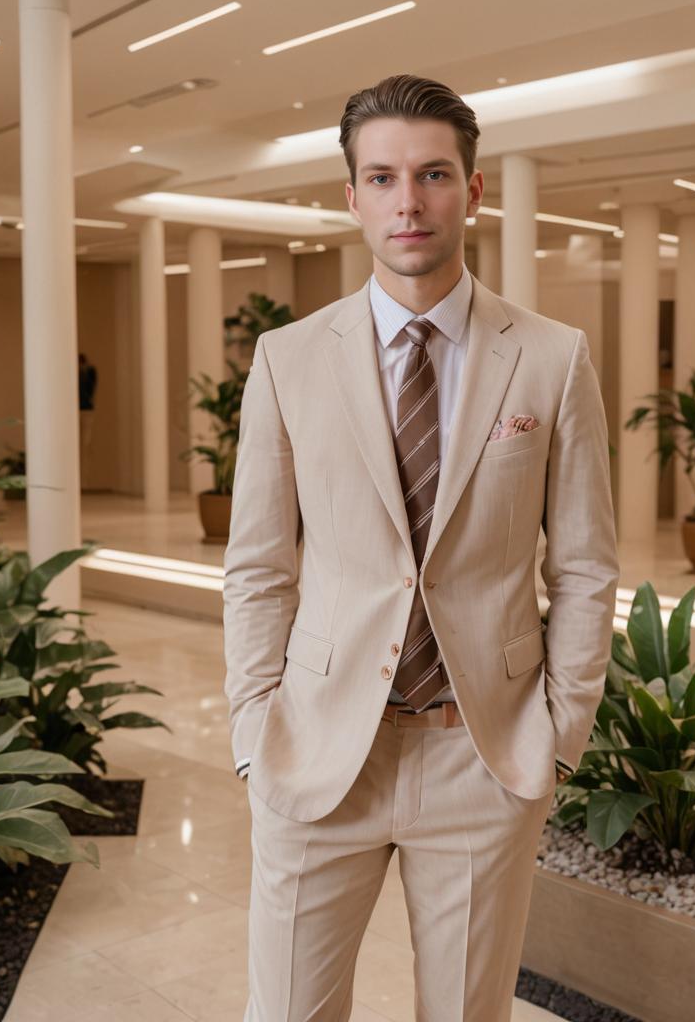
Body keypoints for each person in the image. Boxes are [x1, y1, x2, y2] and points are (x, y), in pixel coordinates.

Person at [223, 74, 619, 1021]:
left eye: (434, 174)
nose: (410, 201)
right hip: (318, 754)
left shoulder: (553, 357)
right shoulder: (287, 359)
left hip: (481, 757)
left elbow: (584, 564)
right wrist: (252, 730)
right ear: (351, 196)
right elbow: (259, 566)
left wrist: (556, 740)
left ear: (473, 190)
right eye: (385, 177)